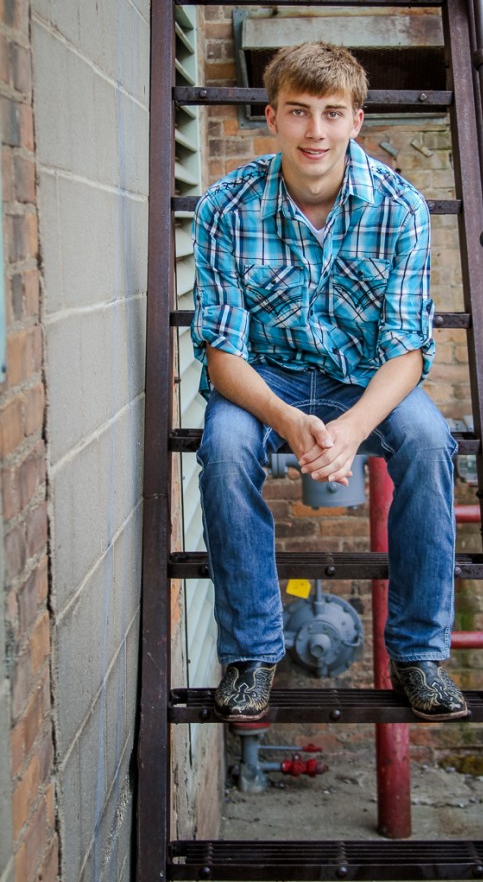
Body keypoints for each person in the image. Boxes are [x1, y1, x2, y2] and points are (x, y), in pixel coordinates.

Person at [191, 41, 467, 723]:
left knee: (431, 443)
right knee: (223, 451)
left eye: (332, 113)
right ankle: (253, 654)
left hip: (364, 381)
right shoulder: (226, 206)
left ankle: (418, 654)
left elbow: (407, 351)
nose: (316, 131)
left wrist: (350, 429)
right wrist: (288, 420)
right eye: (299, 112)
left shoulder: (399, 208)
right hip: (261, 381)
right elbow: (223, 355)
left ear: (356, 120)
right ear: (272, 117)